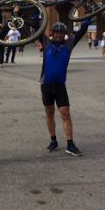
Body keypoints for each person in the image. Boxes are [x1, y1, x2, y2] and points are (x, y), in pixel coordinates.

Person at [41, 21, 90, 156]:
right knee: (49, 113)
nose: (58, 35)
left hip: (60, 85)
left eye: (61, 33)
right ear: (53, 33)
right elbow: (37, 27)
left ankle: (70, 144)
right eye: (56, 32)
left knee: (65, 114)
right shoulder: (46, 43)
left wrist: (89, 14)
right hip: (46, 84)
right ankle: (53, 140)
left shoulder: (68, 45)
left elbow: (82, 31)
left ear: (64, 35)